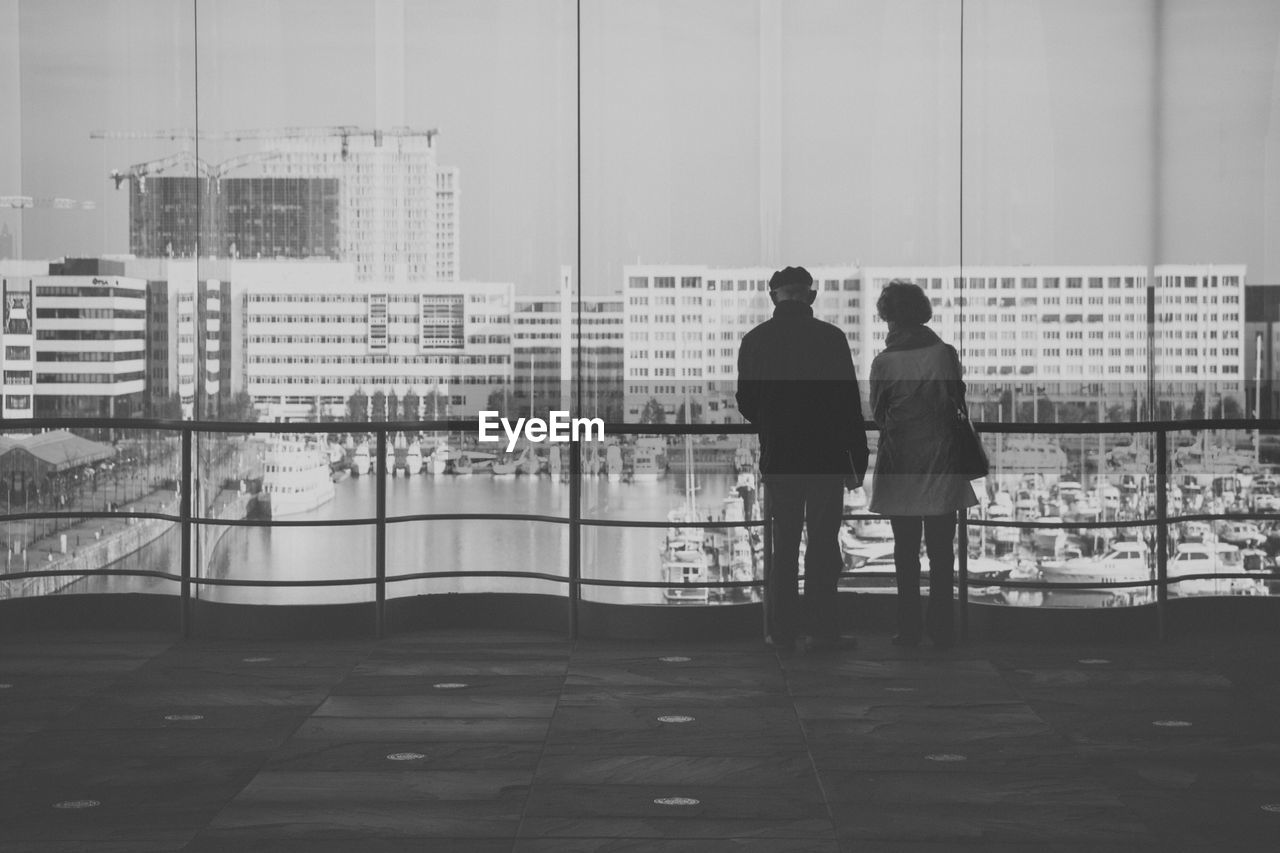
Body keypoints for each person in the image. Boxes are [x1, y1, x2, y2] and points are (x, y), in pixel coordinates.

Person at [737, 266, 869, 655]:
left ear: (772, 296)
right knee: (824, 546)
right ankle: (822, 631)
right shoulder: (832, 339)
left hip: (780, 456)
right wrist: (855, 461)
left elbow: (747, 402)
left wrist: (773, 422)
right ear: (811, 297)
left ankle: (782, 632)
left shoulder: (756, 340)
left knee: (784, 546)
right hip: (826, 457)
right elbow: (848, 404)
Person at [868, 280, 979, 649]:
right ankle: (943, 627)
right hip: (942, 463)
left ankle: (909, 628)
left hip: (901, 465)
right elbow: (957, 400)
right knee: (941, 552)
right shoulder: (945, 354)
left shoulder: (884, 363)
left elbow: (880, 414)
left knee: (905, 553)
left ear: (891, 320)